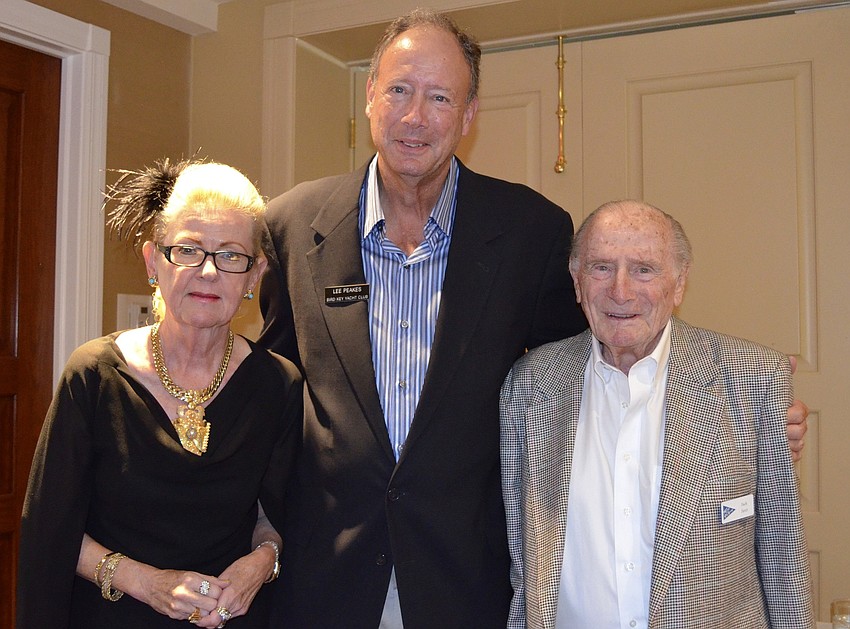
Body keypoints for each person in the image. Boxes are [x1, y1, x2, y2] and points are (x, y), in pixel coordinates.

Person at [258, 9, 808, 628]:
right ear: (370, 96)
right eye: (399, 90)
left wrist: (735, 415)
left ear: (468, 116)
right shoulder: (291, 224)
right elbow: (269, 392)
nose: (415, 117)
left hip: (468, 584)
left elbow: (596, 367)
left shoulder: (531, 232)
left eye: (440, 97)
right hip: (325, 581)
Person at [500, 200, 814, 629]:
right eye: (601, 268)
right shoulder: (531, 385)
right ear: (576, 281)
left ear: (679, 283)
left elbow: (783, 557)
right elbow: (523, 563)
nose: (621, 291)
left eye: (644, 269)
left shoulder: (752, 378)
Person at [17, 159, 302, 628]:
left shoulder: (279, 385)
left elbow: (276, 516)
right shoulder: (94, 376)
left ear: (254, 276)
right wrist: (148, 583)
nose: (209, 272)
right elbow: (52, 531)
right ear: (154, 262)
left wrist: (261, 561)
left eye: (231, 255)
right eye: (188, 250)